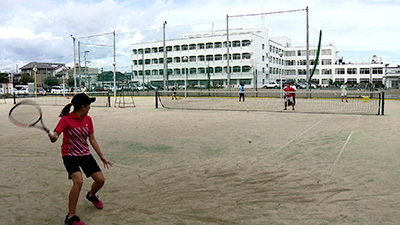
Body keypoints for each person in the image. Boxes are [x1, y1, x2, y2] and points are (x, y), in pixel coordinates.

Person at [48, 93, 113, 225]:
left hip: (84, 154)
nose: (90, 107)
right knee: (78, 182)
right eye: (89, 105)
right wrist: (53, 137)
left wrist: (102, 156)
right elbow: (55, 136)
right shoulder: (65, 119)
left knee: (100, 180)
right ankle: (70, 217)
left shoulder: (88, 119)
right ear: (83, 107)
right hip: (69, 155)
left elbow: (92, 139)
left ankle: (91, 195)